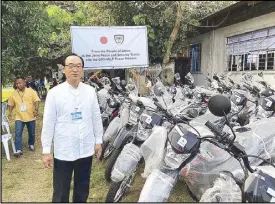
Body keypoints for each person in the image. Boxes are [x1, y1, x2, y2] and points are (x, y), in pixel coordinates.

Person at [41, 53, 103, 203]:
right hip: (64, 150)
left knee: (82, 189)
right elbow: (48, 122)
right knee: (61, 191)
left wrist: (98, 141)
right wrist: (46, 150)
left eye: (78, 66)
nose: (74, 69)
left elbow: (96, 117)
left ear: (82, 69)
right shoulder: (55, 93)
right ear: (64, 69)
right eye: (70, 66)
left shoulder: (90, 91)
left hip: (85, 148)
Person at [8, 76, 41, 157]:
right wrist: (10, 113)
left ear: (24, 83)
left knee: (31, 132)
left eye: (20, 83)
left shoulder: (31, 91)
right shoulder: (14, 93)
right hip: (19, 117)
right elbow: (11, 104)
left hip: (31, 116)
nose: (18, 85)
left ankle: (31, 144)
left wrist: (36, 109)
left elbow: (36, 100)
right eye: (17, 83)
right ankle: (18, 149)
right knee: (18, 133)